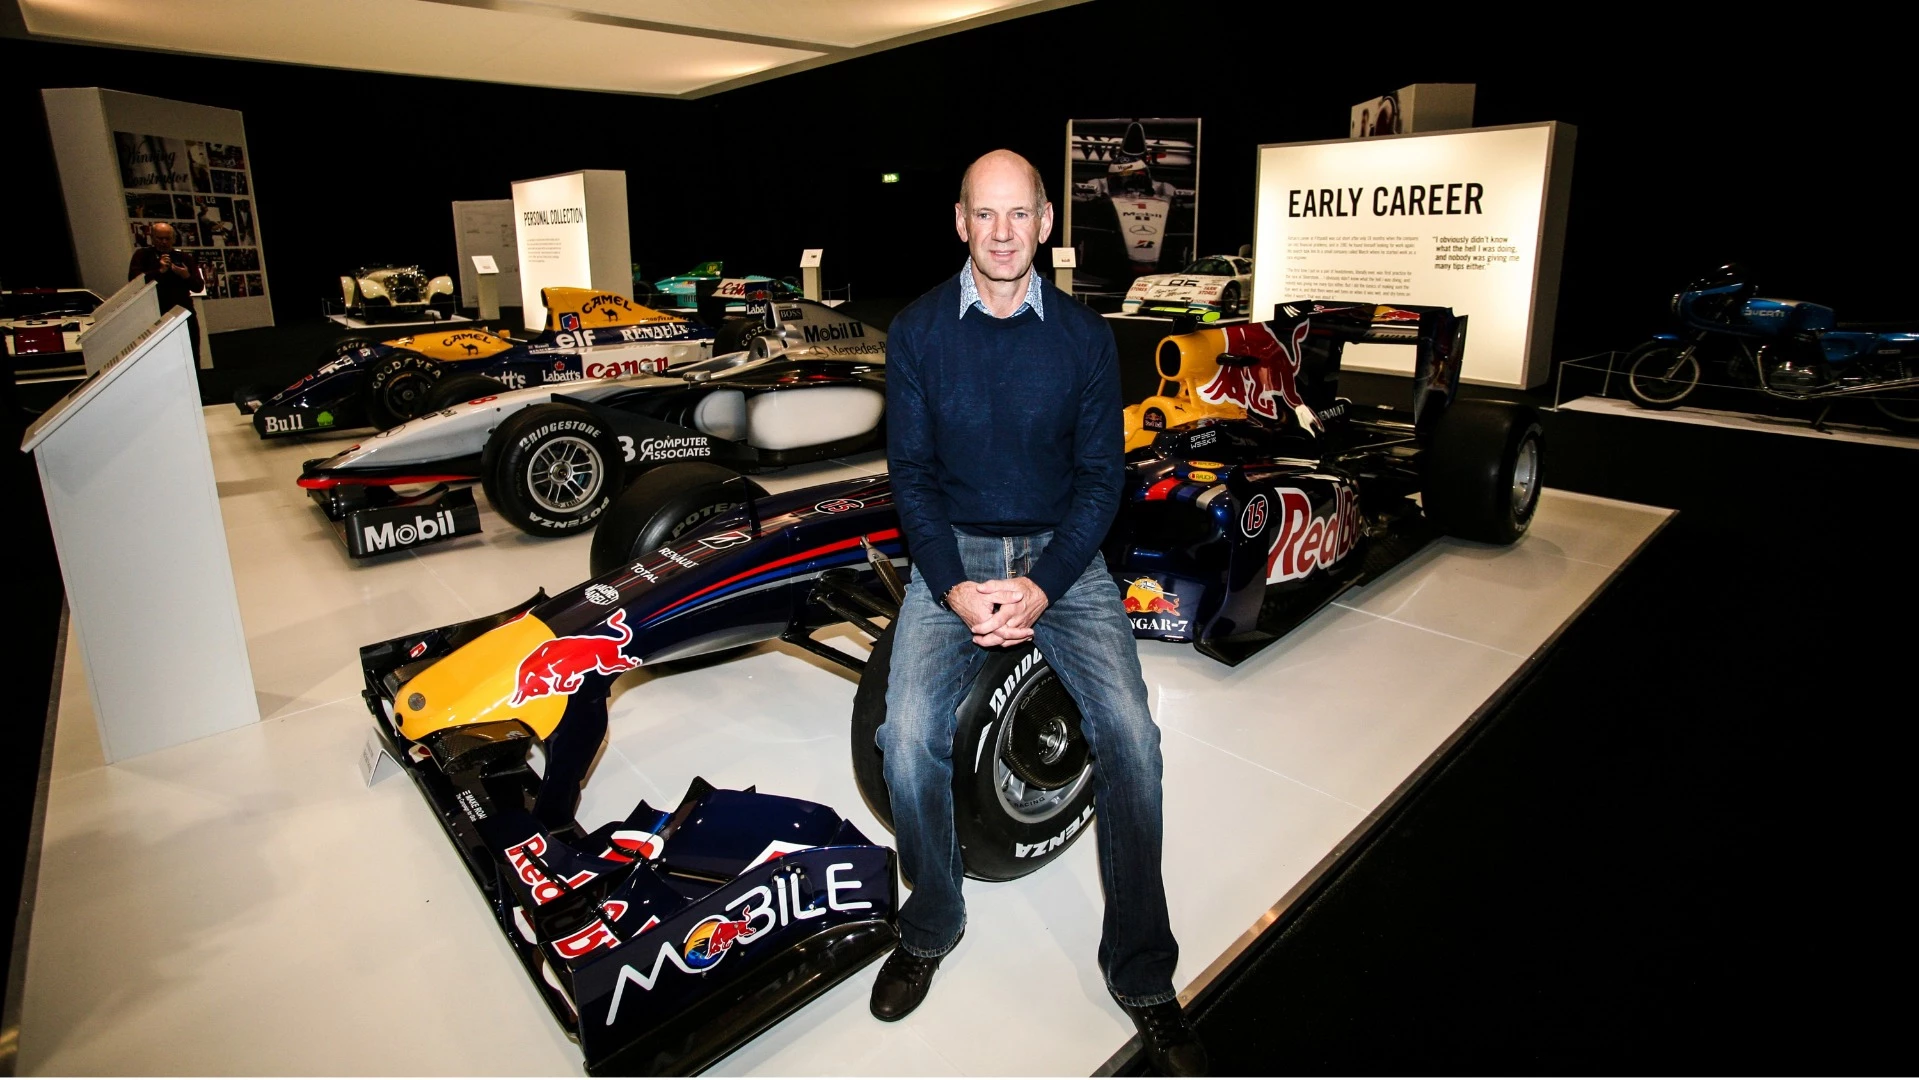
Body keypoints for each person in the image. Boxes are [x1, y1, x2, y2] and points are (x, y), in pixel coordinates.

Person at [871, 149, 1207, 1076]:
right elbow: (912, 478)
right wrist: (953, 586)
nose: (1002, 232)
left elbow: (1102, 478)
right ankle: (932, 920)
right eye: (985, 214)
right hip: (955, 556)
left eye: (1019, 213)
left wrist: (1045, 584)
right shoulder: (917, 331)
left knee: (1132, 739)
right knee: (906, 738)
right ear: (959, 222)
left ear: (1047, 221)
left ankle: (1141, 971)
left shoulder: (1083, 337)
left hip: (1063, 556)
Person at [128, 222, 205, 362]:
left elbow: (198, 286)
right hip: (153, 315)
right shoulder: (142, 255)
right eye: (160, 238)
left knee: (190, 355)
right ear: (152, 238)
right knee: (161, 358)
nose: (164, 242)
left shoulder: (184, 258)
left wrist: (186, 275)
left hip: (183, 313)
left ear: (173, 239)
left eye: (167, 238)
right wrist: (159, 271)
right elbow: (134, 282)